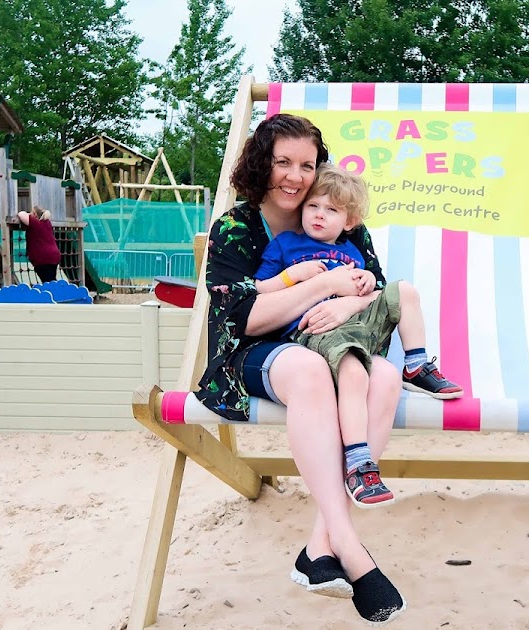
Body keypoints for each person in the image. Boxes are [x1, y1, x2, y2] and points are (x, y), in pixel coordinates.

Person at [195, 113, 405, 625]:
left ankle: (318, 549)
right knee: (311, 370)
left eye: (306, 165)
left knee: (387, 376)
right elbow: (242, 318)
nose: (294, 176)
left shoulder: (338, 217)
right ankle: (351, 549)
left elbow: (375, 287)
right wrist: (317, 286)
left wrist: (347, 305)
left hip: (331, 339)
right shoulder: (236, 228)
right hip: (254, 351)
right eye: (282, 162)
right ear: (260, 163)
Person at [254, 164, 463, 507]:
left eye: (331, 210)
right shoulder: (286, 245)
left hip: (358, 325)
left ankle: (416, 364)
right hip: (316, 330)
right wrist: (293, 275)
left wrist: (367, 284)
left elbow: (373, 289)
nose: (320, 215)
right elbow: (260, 289)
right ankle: (358, 461)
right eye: (313, 206)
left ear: (349, 222)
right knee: (353, 370)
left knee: (405, 291)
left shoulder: (352, 251)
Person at [16, 205, 62, 283]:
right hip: (53, 255)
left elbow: (21, 214)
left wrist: (29, 215)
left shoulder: (35, 222)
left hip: (42, 257)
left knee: (47, 280)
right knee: (51, 279)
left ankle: (55, 293)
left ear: (35, 214)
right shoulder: (47, 223)